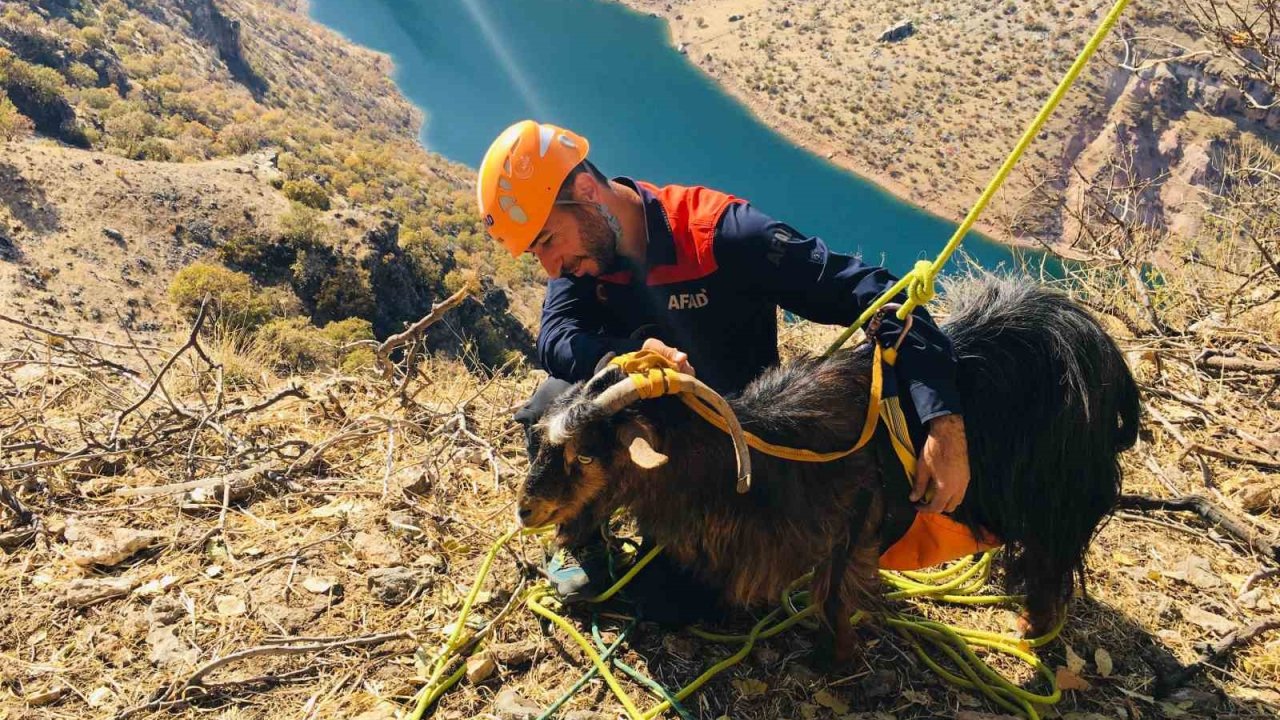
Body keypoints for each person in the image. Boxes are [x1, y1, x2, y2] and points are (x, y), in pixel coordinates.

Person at [477, 120, 970, 603]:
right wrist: (625, 358)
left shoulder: (723, 235)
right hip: (644, 437)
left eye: (546, 240)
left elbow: (877, 296)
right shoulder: (582, 256)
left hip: (732, 441)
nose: (550, 266)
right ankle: (581, 536)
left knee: (680, 599)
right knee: (552, 405)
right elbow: (556, 337)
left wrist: (942, 421)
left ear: (586, 192)